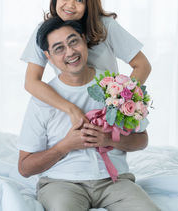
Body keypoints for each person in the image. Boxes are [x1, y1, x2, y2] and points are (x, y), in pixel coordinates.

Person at [18, 17, 160, 211]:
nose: (70, 52)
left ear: (84, 40)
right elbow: (25, 168)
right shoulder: (43, 99)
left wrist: (109, 139)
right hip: (62, 184)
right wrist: (64, 147)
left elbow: (142, 140)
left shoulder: (115, 87)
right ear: (48, 57)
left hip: (114, 182)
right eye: (59, 48)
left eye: (73, 41)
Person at [21, 0, 152, 126]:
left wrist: (119, 105)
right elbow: (31, 82)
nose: (70, 5)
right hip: (70, 109)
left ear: (88, 4)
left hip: (105, 113)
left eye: (79, 0)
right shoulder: (44, 31)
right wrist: (71, 109)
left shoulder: (105, 26)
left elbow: (142, 65)